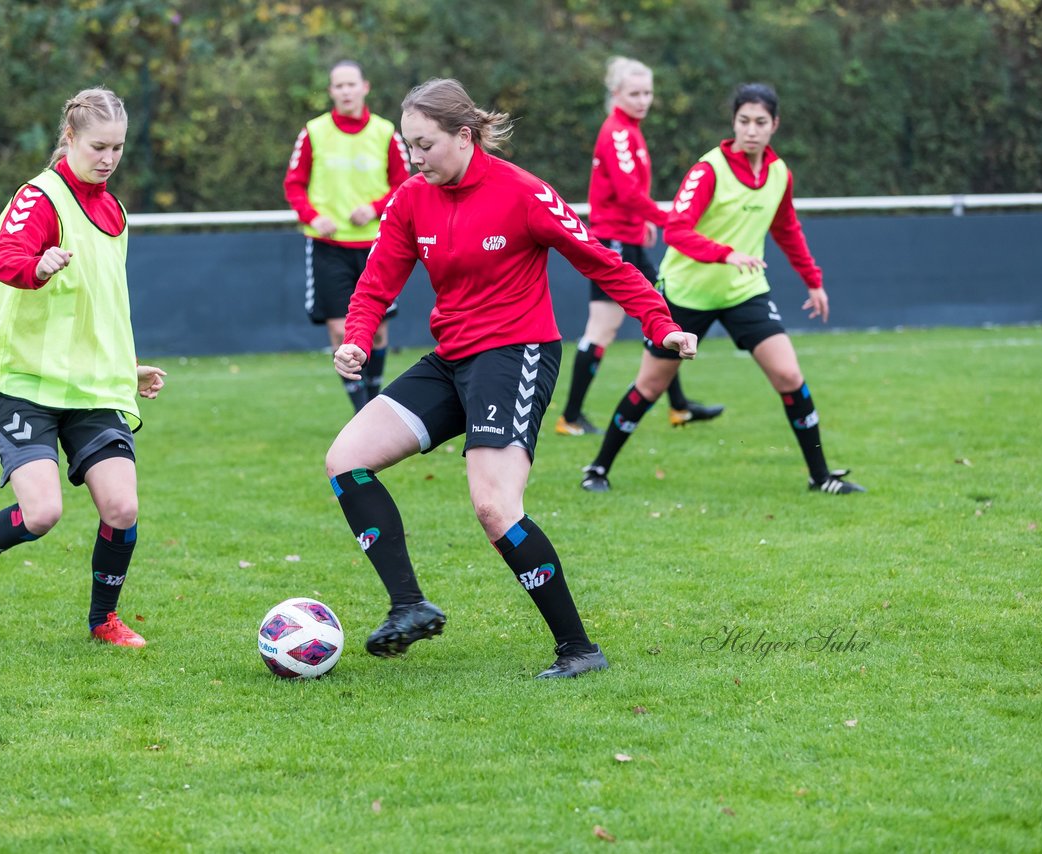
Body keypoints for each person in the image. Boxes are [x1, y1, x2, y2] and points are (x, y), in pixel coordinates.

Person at [326, 78, 698, 678]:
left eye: (424, 145)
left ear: (463, 137)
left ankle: (578, 650)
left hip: (516, 353)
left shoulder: (523, 194)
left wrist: (661, 323)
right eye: (409, 145)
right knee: (346, 459)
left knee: (495, 507)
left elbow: (603, 261)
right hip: (452, 358)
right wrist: (358, 337)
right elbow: (375, 284)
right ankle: (408, 605)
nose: (415, 158)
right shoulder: (410, 199)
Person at [0, 87, 167, 646]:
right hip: (27, 385)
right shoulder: (40, 198)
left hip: (91, 389)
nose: (108, 159)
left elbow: (100, 305)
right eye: (97, 147)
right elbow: (4, 260)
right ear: (70, 140)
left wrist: (126, 367)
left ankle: (102, 621)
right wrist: (37, 266)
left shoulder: (114, 209)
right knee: (40, 514)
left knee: (122, 504)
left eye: (117, 148)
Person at [581, 83, 865, 495]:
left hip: (743, 292)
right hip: (686, 293)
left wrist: (813, 281)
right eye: (744, 121)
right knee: (651, 386)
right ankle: (597, 469)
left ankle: (820, 478)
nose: (751, 130)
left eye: (760, 122)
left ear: (775, 125)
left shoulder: (779, 174)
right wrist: (726, 254)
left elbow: (787, 229)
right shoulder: (708, 170)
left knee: (788, 374)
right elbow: (677, 232)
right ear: (734, 123)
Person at [556, 56, 723, 437]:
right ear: (616, 94)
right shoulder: (617, 131)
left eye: (647, 92)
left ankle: (678, 406)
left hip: (627, 238)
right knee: (603, 329)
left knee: (661, 311)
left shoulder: (630, 130)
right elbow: (629, 193)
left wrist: (645, 221)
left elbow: (628, 194)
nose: (643, 99)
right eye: (634, 93)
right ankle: (570, 416)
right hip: (612, 242)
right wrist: (669, 219)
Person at [284, 59, 411, 412]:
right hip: (327, 247)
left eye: (351, 84)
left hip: (377, 245)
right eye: (338, 86)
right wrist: (312, 216)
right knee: (340, 331)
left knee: (379, 330)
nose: (345, 91)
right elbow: (294, 184)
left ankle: (374, 397)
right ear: (331, 92)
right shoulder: (314, 131)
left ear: (364, 87)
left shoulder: (386, 132)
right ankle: (362, 410)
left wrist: (374, 208)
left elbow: (404, 183)